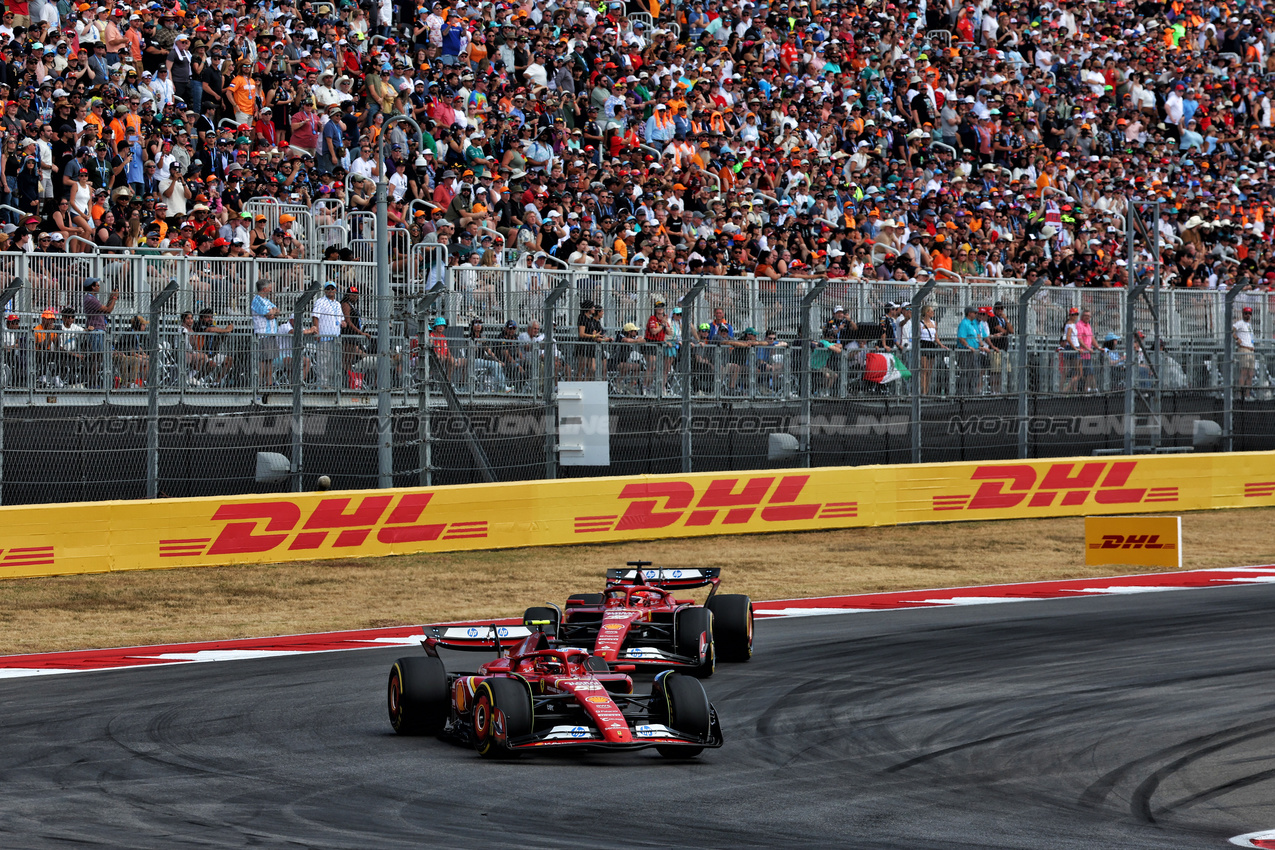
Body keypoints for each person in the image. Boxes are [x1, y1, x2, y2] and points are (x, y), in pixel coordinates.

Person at [82, 277, 116, 387]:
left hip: (99, 330)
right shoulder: (90, 299)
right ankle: (92, 384)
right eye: (97, 285)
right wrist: (114, 298)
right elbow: (108, 310)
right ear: (92, 287)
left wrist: (111, 298)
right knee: (97, 358)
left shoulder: (93, 299)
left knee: (100, 358)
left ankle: (96, 383)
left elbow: (105, 309)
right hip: (96, 331)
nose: (99, 287)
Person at [311, 282, 344, 388]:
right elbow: (315, 317)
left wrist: (343, 322)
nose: (330, 290)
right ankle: (323, 385)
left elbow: (341, 318)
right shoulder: (320, 302)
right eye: (328, 288)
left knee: (333, 363)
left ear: (335, 290)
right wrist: (317, 332)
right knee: (323, 362)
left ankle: (331, 385)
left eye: (332, 288)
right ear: (325, 290)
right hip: (324, 336)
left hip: (336, 337)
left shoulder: (338, 304)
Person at [251, 279, 280, 388]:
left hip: (271, 334)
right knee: (262, 361)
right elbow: (269, 314)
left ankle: (269, 382)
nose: (271, 290)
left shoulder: (267, 301)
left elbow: (277, 311)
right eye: (269, 288)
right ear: (264, 289)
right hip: (263, 334)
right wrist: (272, 312)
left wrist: (273, 312)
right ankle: (259, 384)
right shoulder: (257, 300)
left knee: (270, 360)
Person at [956, 305, 989, 394]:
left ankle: (971, 392)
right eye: (975, 313)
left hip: (973, 351)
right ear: (969, 313)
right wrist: (968, 346)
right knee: (966, 372)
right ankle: (962, 392)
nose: (976, 314)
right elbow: (961, 338)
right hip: (966, 352)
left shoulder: (972, 324)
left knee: (974, 372)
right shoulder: (964, 323)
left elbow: (974, 339)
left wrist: (979, 347)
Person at [918, 304, 950, 395]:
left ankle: (927, 390)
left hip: (931, 344)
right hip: (924, 344)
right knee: (924, 369)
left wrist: (941, 345)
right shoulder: (920, 323)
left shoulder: (934, 323)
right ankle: (923, 391)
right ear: (926, 312)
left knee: (929, 370)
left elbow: (936, 337)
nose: (933, 312)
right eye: (931, 311)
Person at [1058, 308, 1083, 393]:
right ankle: (1064, 389)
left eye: (1076, 314)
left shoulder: (1071, 324)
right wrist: (1076, 348)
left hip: (1072, 347)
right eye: (1073, 314)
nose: (1075, 316)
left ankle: (1064, 389)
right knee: (1078, 372)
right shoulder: (1070, 325)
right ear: (1070, 315)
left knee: (1069, 371)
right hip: (1072, 347)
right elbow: (1068, 338)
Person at [1234, 306, 1256, 400]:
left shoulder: (1249, 325)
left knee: (1250, 373)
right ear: (1243, 314)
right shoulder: (1240, 323)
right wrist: (1237, 339)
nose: (1248, 315)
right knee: (1243, 372)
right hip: (1244, 349)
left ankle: (1247, 394)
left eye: (1249, 313)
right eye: (1246, 313)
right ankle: (1239, 394)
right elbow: (1232, 330)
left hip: (1251, 350)